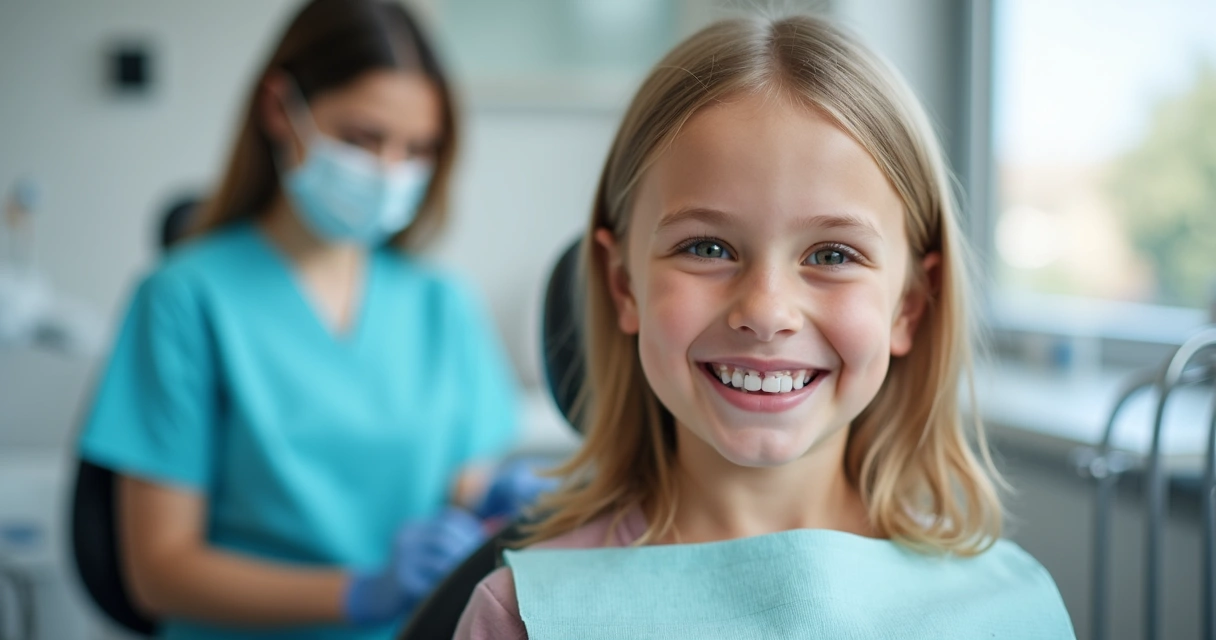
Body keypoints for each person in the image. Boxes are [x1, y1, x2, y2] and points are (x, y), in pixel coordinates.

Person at [455, 13, 1075, 640]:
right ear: (623, 286)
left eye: (832, 255)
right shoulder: (522, 617)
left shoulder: (1011, 611)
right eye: (707, 248)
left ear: (910, 304)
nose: (767, 311)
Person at [78, 1, 544, 638]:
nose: (389, 173)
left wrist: (495, 502)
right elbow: (157, 570)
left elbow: (459, 482)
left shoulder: (441, 301)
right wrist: (356, 593)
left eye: (417, 150)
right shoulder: (183, 298)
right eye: (362, 139)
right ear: (279, 109)